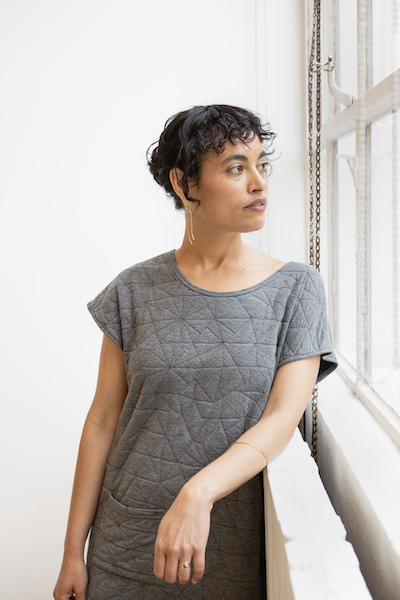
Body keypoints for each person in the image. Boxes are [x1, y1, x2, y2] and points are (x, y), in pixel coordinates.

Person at [53, 104, 338, 600]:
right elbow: (102, 421)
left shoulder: (297, 288)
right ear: (186, 185)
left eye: (261, 164)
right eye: (235, 167)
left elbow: (281, 417)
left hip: (227, 548)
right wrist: (71, 554)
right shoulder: (132, 290)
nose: (259, 182)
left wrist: (198, 491)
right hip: (126, 544)